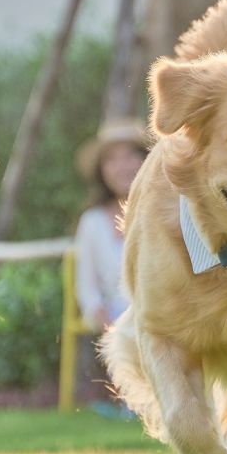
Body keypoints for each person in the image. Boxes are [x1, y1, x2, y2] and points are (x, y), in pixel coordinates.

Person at [72, 117, 149, 331]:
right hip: (120, 325)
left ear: (146, 160)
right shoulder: (92, 222)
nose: (122, 167)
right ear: (102, 171)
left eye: (130, 156)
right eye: (111, 160)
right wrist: (111, 329)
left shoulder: (166, 211)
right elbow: (88, 290)